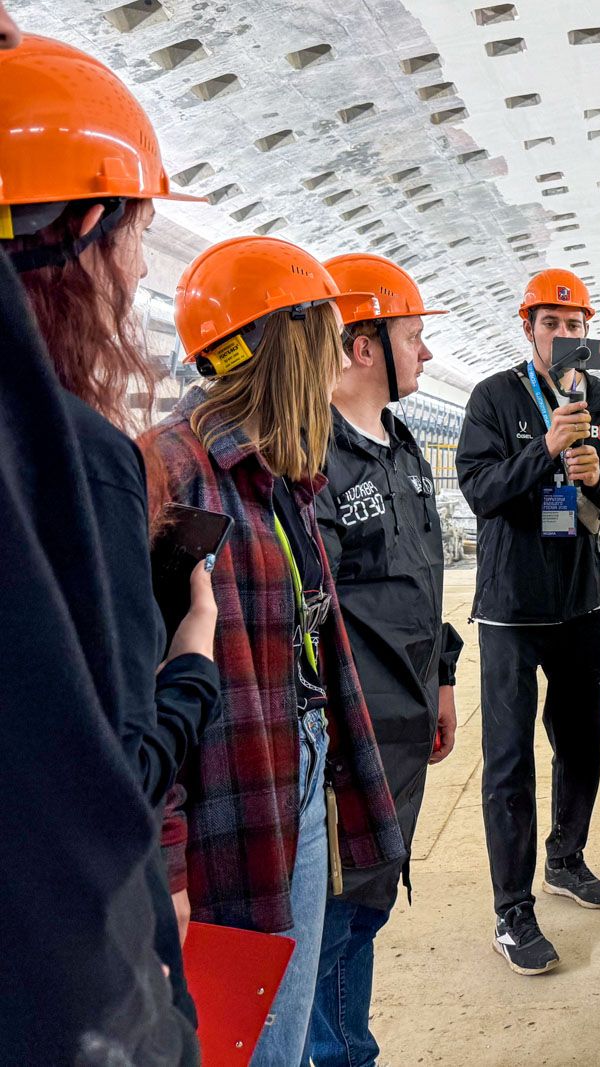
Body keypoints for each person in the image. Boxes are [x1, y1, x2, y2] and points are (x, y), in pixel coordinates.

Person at [1, 33, 222, 1056]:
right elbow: (113, 774)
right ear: (81, 225)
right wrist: (192, 660)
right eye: (136, 231)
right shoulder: (75, 458)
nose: (139, 270)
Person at [146, 236, 406, 1064]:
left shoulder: (280, 474)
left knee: (281, 1033)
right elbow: (138, 691)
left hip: (291, 774)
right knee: (241, 1037)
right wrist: (169, 863)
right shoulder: (173, 473)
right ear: (284, 339)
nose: (339, 353)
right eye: (325, 331)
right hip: (232, 797)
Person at [308, 253, 465, 1065]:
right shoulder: (313, 459)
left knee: (367, 901)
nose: (428, 353)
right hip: (349, 738)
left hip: (405, 724)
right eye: (414, 336)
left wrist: (442, 679)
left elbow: (422, 577)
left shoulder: (402, 448)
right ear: (364, 345)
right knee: (337, 918)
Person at [456, 267, 600, 976]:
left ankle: (566, 856)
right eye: (552, 324)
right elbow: (480, 492)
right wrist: (548, 448)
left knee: (582, 746)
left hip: (583, 603)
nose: (564, 336)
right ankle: (512, 910)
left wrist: (597, 476)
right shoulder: (494, 399)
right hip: (509, 610)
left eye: (574, 325)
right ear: (528, 327)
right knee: (508, 761)